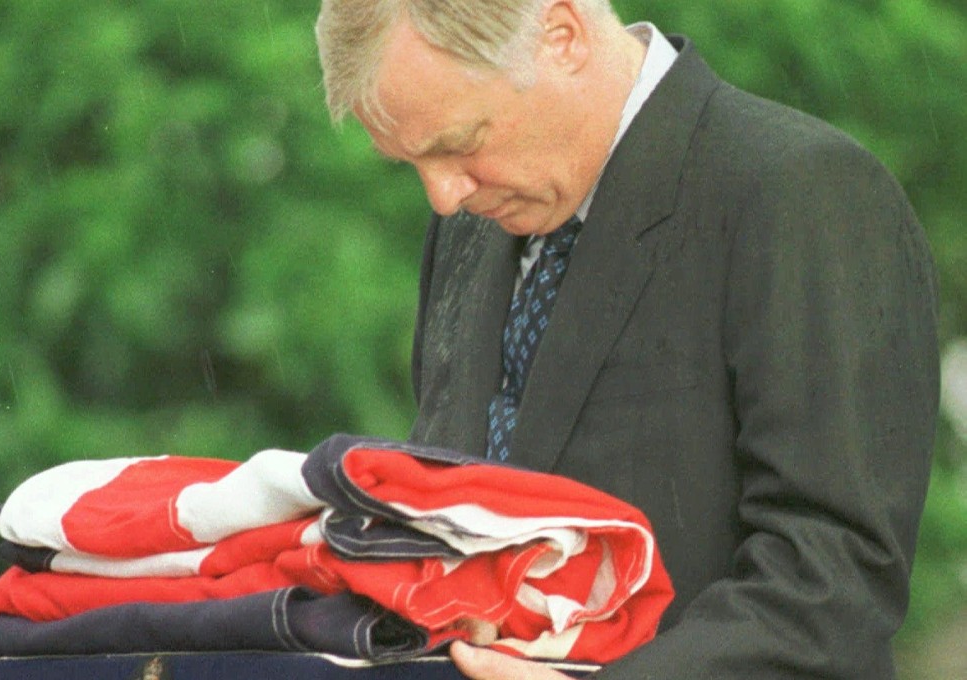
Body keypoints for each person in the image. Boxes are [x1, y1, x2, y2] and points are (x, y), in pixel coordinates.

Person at [315, 1, 940, 678]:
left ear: (561, 37)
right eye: (410, 160)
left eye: (460, 141)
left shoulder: (800, 191)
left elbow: (834, 584)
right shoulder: (471, 224)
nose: (441, 194)